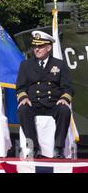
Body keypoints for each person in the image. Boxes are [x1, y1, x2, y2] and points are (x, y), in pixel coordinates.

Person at [16, 30, 74, 159]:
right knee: (23, 110)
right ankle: (33, 148)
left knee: (64, 110)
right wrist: (24, 97)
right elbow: (20, 87)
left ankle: (58, 149)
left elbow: (68, 87)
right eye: (35, 46)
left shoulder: (59, 64)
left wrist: (64, 98)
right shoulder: (25, 65)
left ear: (49, 47)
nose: (37, 49)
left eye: (40, 46)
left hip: (53, 104)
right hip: (34, 103)